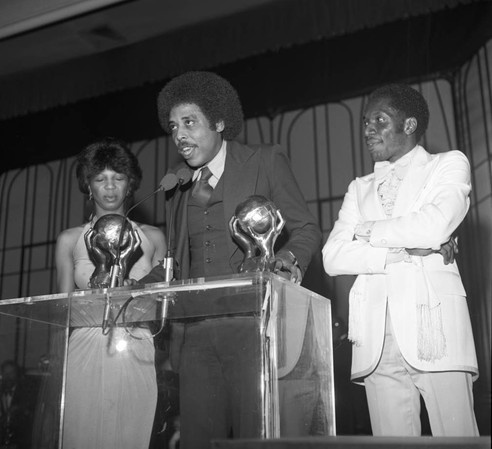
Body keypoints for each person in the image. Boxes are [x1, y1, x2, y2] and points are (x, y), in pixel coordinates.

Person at [139, 71, 323, 448]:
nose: (179, 135)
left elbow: (306, 229)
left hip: (252, 328)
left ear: (220, 122)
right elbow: (174, 261)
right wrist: (133, 291)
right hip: (194, 337)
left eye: (189, 123)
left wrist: (285, 259)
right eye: (173, 126)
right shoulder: (177, 185)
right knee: (198, 440)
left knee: (257, 437)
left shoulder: (265, 160)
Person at [322, 83, 479, 436]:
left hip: (434, 328)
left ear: (409, 125)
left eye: (379, 120)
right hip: (375, 341)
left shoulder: (447, 164)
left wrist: (367, 230)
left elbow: (435, 226)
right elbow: (332, 256)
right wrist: (400, 251)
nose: (367, 130)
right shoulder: (358, 187)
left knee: (457, 441)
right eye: (365, 122)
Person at [55, 138, 167, 449]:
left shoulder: (153, 237)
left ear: (130, 184)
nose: (109, 187)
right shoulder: (70, 239)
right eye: (100, 178)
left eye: (118, 178)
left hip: (137, 345)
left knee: (132, 434)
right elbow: (61, 310)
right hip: (85, 345)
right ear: (87, 185)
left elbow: (164, 300)